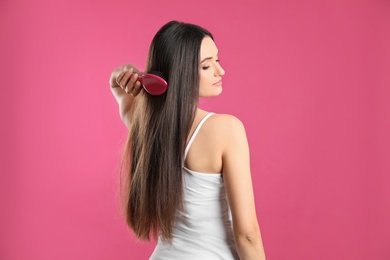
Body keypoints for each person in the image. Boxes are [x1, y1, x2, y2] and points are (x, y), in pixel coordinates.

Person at [109, 21, 266, 260]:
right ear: (181, 72)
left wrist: (127, 74)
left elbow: (117, 86)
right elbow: (247, 234)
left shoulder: (147, 126)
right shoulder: (225, 129)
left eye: (217, 60)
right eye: (206, 66)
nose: (219, 71)